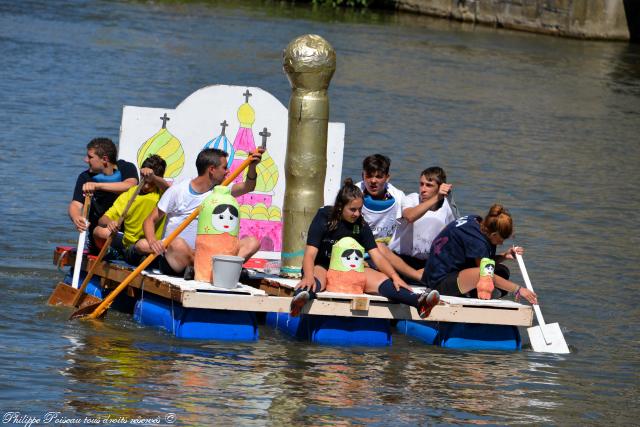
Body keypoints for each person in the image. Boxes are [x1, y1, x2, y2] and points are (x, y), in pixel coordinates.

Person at [289, 178, 440, 318]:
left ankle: (419, 302)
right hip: (322, 265)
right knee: (314, 281)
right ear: (341, 207)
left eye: (360, 209)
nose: (357, 214)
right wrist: (308, 276)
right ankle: (301, 298)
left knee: (383, 279)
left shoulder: (361, 224)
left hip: (350, 269)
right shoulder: (324, 217)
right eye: (353, 210)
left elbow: (377, 256)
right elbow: (310, 253)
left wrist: (395, 276)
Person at [142, 147, 263, 277]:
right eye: (224, 167)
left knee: (252, 242)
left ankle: (215, 268)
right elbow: (150, 220)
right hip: (178, 257)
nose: (228, 171)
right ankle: (218, 269)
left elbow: (248, 186)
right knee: (177, 244)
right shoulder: (177, 191)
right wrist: (153, 242)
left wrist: (252, 166)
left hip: (208, 254)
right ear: (211, 169)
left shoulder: (221, 189)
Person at [422, 204, 538, 304]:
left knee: (502, 271)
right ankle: (474, 296)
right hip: (438, 283)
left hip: (443, 270)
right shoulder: (478, 242)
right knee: (483, 273)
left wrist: (504, 256)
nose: (502, 243)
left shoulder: (476, 220)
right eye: (501, 239)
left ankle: (473, 293)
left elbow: (484, 262)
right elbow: (484, 272)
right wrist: (519, 289)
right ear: (493, 235)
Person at [379, 167, 459, 283]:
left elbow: (454, 236)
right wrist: (437, 197)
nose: (423, 189)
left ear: (440, 187)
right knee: (380, 247)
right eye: (421, 184)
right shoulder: (411, 199)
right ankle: (418, 278)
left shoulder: (448, 207)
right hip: (400, 260)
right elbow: (410, 216)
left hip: (426, 264)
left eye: (429, 185)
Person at [92, 154, 170, 264]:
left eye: (150, 183)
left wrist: (153, 177)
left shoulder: (163, 193)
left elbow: (168, 189)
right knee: (98, 231)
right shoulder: (131, 193)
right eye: (144, 181)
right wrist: (111, 223)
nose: (146, 186)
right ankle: (113, 253)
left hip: (147, 245)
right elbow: (103, 219)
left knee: (143, 245)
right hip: (126, 243)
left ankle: (130, 257)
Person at [68, 137, 138, 254]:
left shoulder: (126, 168)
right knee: (104, 232)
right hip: (99, 235)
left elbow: (131, 186)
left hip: (128, 233)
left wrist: (97, 186)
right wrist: (76, 218)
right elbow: (75, 205)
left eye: (90, 157)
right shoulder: (85, 177)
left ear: (104, 159)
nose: (86, 160)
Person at [356, 154, 407, 244]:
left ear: (387, 178)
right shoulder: (352, 193)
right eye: (369, 176)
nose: (373, 181)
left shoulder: (399, 196)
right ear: (362, 176)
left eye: (378, 177)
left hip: (386, 247)